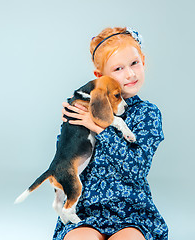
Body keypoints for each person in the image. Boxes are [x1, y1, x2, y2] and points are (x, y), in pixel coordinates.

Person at [53, 27, 168, 240]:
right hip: (88, 211)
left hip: (132, 212)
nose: (130, 74)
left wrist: (98, 127)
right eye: (118, 68)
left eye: (134, 63)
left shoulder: (147, 113)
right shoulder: (84, 108)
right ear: (100, 76)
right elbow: (66, 158)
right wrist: (70, 124)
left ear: (143, 60)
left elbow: (136, 169)